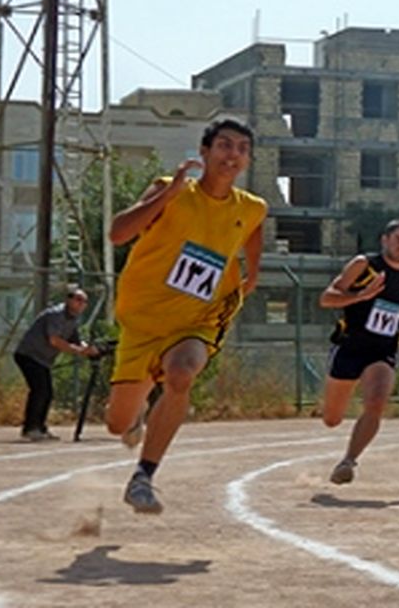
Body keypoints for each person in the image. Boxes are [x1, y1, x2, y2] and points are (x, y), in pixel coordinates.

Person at [104, 117, 267, 514]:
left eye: (242, 148)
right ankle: (136, 415)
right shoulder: (168, 190)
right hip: (143, 320)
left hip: (198, 319)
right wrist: (168, 194)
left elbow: (250, 238)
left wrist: (250, 278)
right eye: (225, 145)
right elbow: (118, 233)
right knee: (115, 422)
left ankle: (144, 476)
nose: (234, 155)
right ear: (206, 151)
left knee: (182, 372)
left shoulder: (253, 208)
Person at [319, 217, 399, 485]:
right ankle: (331, 410)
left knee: (376, 403)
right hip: (350, 346)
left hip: (382, 350)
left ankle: (348, 461)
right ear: (385, 240)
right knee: (332, 419)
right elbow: (326, 297)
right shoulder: (364, 265)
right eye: (398, 240)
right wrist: (359, 297)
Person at [13, 287, 98, 441]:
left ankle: (40, 427)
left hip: (42, 360)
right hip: (29, 355)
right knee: (40, 390)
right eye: (78, 300)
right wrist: (79, 351)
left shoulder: (73, 319)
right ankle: (30, 428)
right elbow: (55, 341)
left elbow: (76, 340)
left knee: (47, 392)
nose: (82, 304)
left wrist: (89, 348)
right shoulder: (56, 315)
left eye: (84, 301)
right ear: (69, 300)